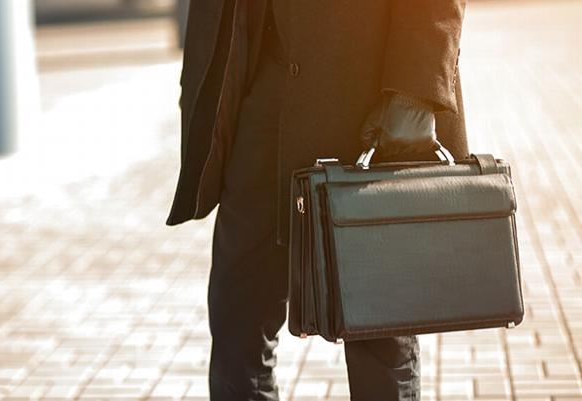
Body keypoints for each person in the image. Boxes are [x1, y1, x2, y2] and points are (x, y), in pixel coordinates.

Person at [166, 1, 468, 400]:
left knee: (377, 334)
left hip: (365, 101)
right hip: (258, 95)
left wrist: (415, 93)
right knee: (237, 322)